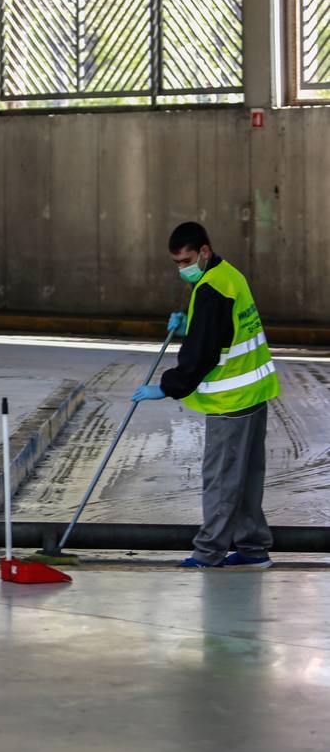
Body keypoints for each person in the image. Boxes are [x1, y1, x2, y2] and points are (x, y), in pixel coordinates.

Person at [131, 222, 280, 569]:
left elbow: (202, 356)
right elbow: (224, 330)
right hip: (253, 395)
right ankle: (254, 549)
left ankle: (209, 553)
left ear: (204, 252)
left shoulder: (211, 289)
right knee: (245, 478)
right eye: (177, 264)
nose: (183, 269)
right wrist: (192, 325)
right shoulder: (229, 275)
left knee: (221, 480)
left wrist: (167, 387)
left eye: (186, 261)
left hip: (231, 403)